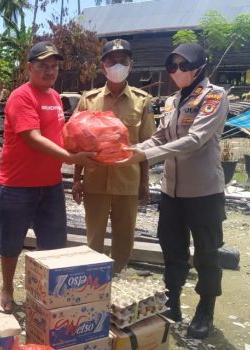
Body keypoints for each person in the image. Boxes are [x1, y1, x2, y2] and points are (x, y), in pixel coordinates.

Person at [116, 43, 228, 339]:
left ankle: (206, 308)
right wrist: (132, 149)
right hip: (172, 192)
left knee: (206, 253)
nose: (176, 72)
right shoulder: (172, 101)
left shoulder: (214, 97)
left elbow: (195, 140)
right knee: (173, 250)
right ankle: (174, 303)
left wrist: (144, 156)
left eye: (183, 66)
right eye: (172, 67)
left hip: (204, 191)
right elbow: (160, 137)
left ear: (199, 66)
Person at [0, 41, 94, 313]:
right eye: (43, 66)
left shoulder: (54, 97)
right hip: (18, 185)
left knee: (53, 244)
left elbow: (60, 135)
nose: (49, 71)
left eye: (54, 66)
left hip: (50, 184)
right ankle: (7, 288)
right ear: (29, 67)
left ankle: (46, 294)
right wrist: (70, 158)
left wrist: (82, 144)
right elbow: (32, 137)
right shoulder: (21, 96)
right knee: (11, 242)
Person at [73, 39, 155, 273]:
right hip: (95, 181)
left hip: (128, 182)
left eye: (123, 61)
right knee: (93, 240)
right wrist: (77, 180)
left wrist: (144, 182)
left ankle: (117, 282)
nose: (117, 65)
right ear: (103, 66)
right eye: (112, 61)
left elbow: (147, 146)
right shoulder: (89, 100)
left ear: (131, 64)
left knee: (124, 240)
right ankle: (93, 285)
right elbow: (78, 143)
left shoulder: (142, 101)